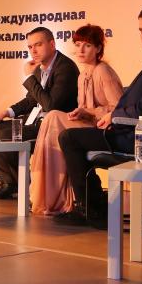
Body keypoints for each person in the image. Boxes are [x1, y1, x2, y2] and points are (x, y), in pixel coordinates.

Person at [57, 4, 142, 223]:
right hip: (133, 132)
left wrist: (113, 117)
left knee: (69, 137)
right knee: (71, 133)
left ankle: (89, 208)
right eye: (141, 30)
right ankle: (95, 204)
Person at [30, 24, 124, 215]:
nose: (81, 50)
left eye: (87, 45)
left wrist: (88, 111)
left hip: (105, 129)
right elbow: (85, 109)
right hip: (89, 124)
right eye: (78, 44)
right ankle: (57, 196)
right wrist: (81, 112)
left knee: (53, 118)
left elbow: (118, 110)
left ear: (98, 48)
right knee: (52, 118)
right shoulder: (83, 75)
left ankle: (60, 197)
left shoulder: (103, 71)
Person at [0, 27, 79, 200]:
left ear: (52, 44)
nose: (33, 51)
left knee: (2, 135)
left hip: (53, 126)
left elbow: (51, 105)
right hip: (35, 121)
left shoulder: (65, 68)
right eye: (30, 47)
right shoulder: (38, 69)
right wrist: (7, 111)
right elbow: (31, 100)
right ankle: (10, 183)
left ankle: (22, 185)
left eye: (38, 45)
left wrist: (29, 78)